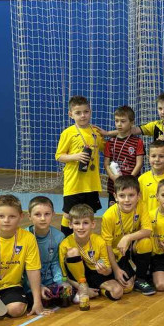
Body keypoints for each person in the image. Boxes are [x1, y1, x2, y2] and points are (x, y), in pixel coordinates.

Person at [55, 95, 104, 235]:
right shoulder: (68, 133)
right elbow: (59, 156)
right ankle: (65, 239)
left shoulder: (96, 132)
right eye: (78, 113)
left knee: (89, 213)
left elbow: (105, 148)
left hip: (91, 183)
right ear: (71, 114)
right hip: (74, 183)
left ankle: (86, 240)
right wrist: (75, 156)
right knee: (69, 213)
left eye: (86, 112)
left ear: (90, 112)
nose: (83, 115)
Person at [99, 176, 156, 296]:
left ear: (138, 196)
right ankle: (105, 285)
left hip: (131, 251)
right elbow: (107, 246)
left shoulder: (141, 205)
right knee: (127, 288)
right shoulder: (108, 216)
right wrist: (116, 269)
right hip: (115, 254)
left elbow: (148, 230)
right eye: (122, 196)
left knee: (146, 242)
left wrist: (127, 237)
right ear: (115, 196)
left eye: (131, 195)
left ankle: (140, 278)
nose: (127, 200)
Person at [59, 204, 124, 306]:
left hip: (94, 273)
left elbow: (108, 270)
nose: (81, 227)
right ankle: (83, 288)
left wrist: (104, 270)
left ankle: (95, 291)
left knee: (117, 292)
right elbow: (64, 276)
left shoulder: (99, 241)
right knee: (72, 252)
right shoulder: (65, 244)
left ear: (93, 224)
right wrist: (82, 287)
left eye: (85, 223)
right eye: (77, 223)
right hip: (76, 278)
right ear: (70, 225)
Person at [25, 196, 70, 307]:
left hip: (51, 282)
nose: (42, 218)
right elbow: (22, 270)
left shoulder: (59, 236)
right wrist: (38, 286)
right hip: (30, 283)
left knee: (67, 294)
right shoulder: (23, 237)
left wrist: (60, 282)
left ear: (53, 214)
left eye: (47, 214)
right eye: (37, 214)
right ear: (29, 216)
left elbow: (56, 263)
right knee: (35, 299)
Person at [103, 105, 144, 205]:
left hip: (131, 185)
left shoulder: (137, 142)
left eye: (123, 121)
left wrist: (129, 178)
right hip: (114, 185)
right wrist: (112, 177)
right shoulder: (110, 142)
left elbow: (139, 164)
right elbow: (106, 164)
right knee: (114, 210)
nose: (119, 124)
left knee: (132, 210)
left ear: (132, 123)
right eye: (116, 121)